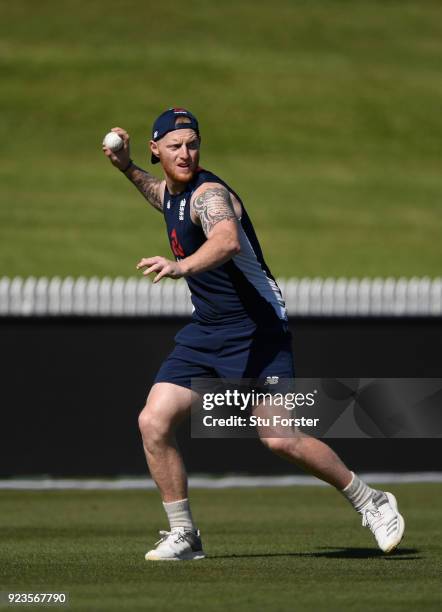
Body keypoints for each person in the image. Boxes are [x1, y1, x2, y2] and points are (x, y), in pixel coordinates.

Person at [102, 108, 405, 561]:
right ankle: (184, 534)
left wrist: (179, 266)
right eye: (174, 146)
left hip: (256, 328)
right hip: (208, 330)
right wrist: (127, 167)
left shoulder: (210, 194)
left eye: (192, 144)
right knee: (153, 421)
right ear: (156, 149)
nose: (185, 154)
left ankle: (371, 500)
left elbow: (226, 241)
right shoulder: (173, 193)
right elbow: (159, 194)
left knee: (280, 438)